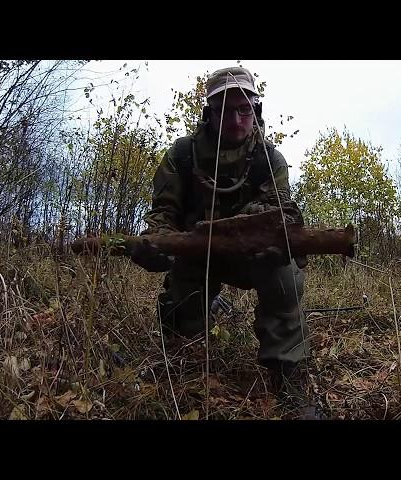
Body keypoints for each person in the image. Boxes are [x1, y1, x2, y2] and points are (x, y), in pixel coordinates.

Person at [130, 67, 317, 419]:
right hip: (199, 257)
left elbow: (282, 211)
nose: (236, 119)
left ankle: (289, 378)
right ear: (209, 114)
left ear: (255, 112)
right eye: (225, 110)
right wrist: (158, 243)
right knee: (183, 316)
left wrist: (259, 229)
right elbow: (163, 213)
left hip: (255, 257)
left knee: (285, 279)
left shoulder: (269, 159)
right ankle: (190, 341)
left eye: (244, 109)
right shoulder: (183, 155)